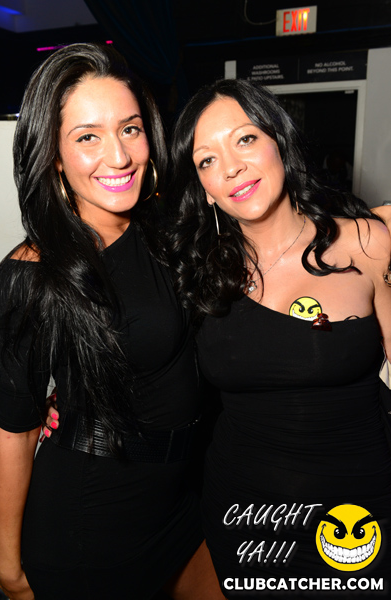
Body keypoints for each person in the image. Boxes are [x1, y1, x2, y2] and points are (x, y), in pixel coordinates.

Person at [0, 43, 224, 600]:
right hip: (92, 525)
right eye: (87, 137)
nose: (118, 156)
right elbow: (15, 434)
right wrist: (6, 565)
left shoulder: (167, 231)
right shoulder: (30, 275)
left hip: (185, 500)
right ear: (53, 155)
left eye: (130, 129)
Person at [168, 79, 391, 596]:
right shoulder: (194, 270)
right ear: (204, 186)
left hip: (354, 514)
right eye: (207, 160)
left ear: (279, 141)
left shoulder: (366, 244)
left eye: (245, 139)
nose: (231, 167)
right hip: (244, 514)